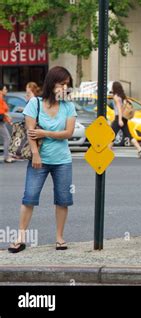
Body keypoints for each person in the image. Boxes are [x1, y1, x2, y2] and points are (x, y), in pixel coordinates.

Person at [8, 66, 77, 253]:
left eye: (67, 85)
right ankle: (20, 237)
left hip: (62, 160)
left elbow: (68, 133)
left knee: (63, 199)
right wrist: (36, 154)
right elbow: (31, 133)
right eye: (62, 84)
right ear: (52, 83)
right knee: (29, 197)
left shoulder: (68, 106)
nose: (65, 88)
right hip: (39, 159)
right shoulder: (35, 104)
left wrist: (45, 132)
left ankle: (60, 238)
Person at [110, 81, 141, 158]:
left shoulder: (116, 97)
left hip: (118, 117)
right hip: (124, 118)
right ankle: (140, 149)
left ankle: (107, 151)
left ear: (114, 88)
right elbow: (123, 107)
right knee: (128, 134)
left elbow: (119, 108)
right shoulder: (123, 97)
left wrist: (119, 120)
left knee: (111, 134)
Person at [0, 83, 14, 163]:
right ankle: (6, 157)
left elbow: (3, 111)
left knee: (7, 138)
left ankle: (7, 156)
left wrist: (9, 120)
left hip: (2, 122)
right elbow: (1, 111)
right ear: (0, 91)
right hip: (0, 123)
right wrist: (7, 115)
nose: (6, 90)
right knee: (7, 138)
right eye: (5, 89)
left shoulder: (2, 99)